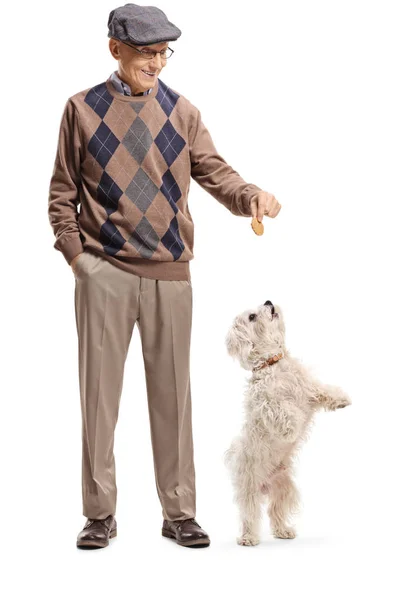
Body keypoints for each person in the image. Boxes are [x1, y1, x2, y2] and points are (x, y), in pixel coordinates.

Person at [48, 2, 281, 550]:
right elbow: (61, 194)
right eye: (146, 51)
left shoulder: (183, 112)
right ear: (115, 49)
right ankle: (99, 515)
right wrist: (79, 261)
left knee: (173, 399)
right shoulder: (81, 109)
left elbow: (215, 173)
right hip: (103, 271)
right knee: (98, 400)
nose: (156, 62)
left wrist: (251, 196)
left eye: (163, 52)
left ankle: (179, 513)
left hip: (170, 275)